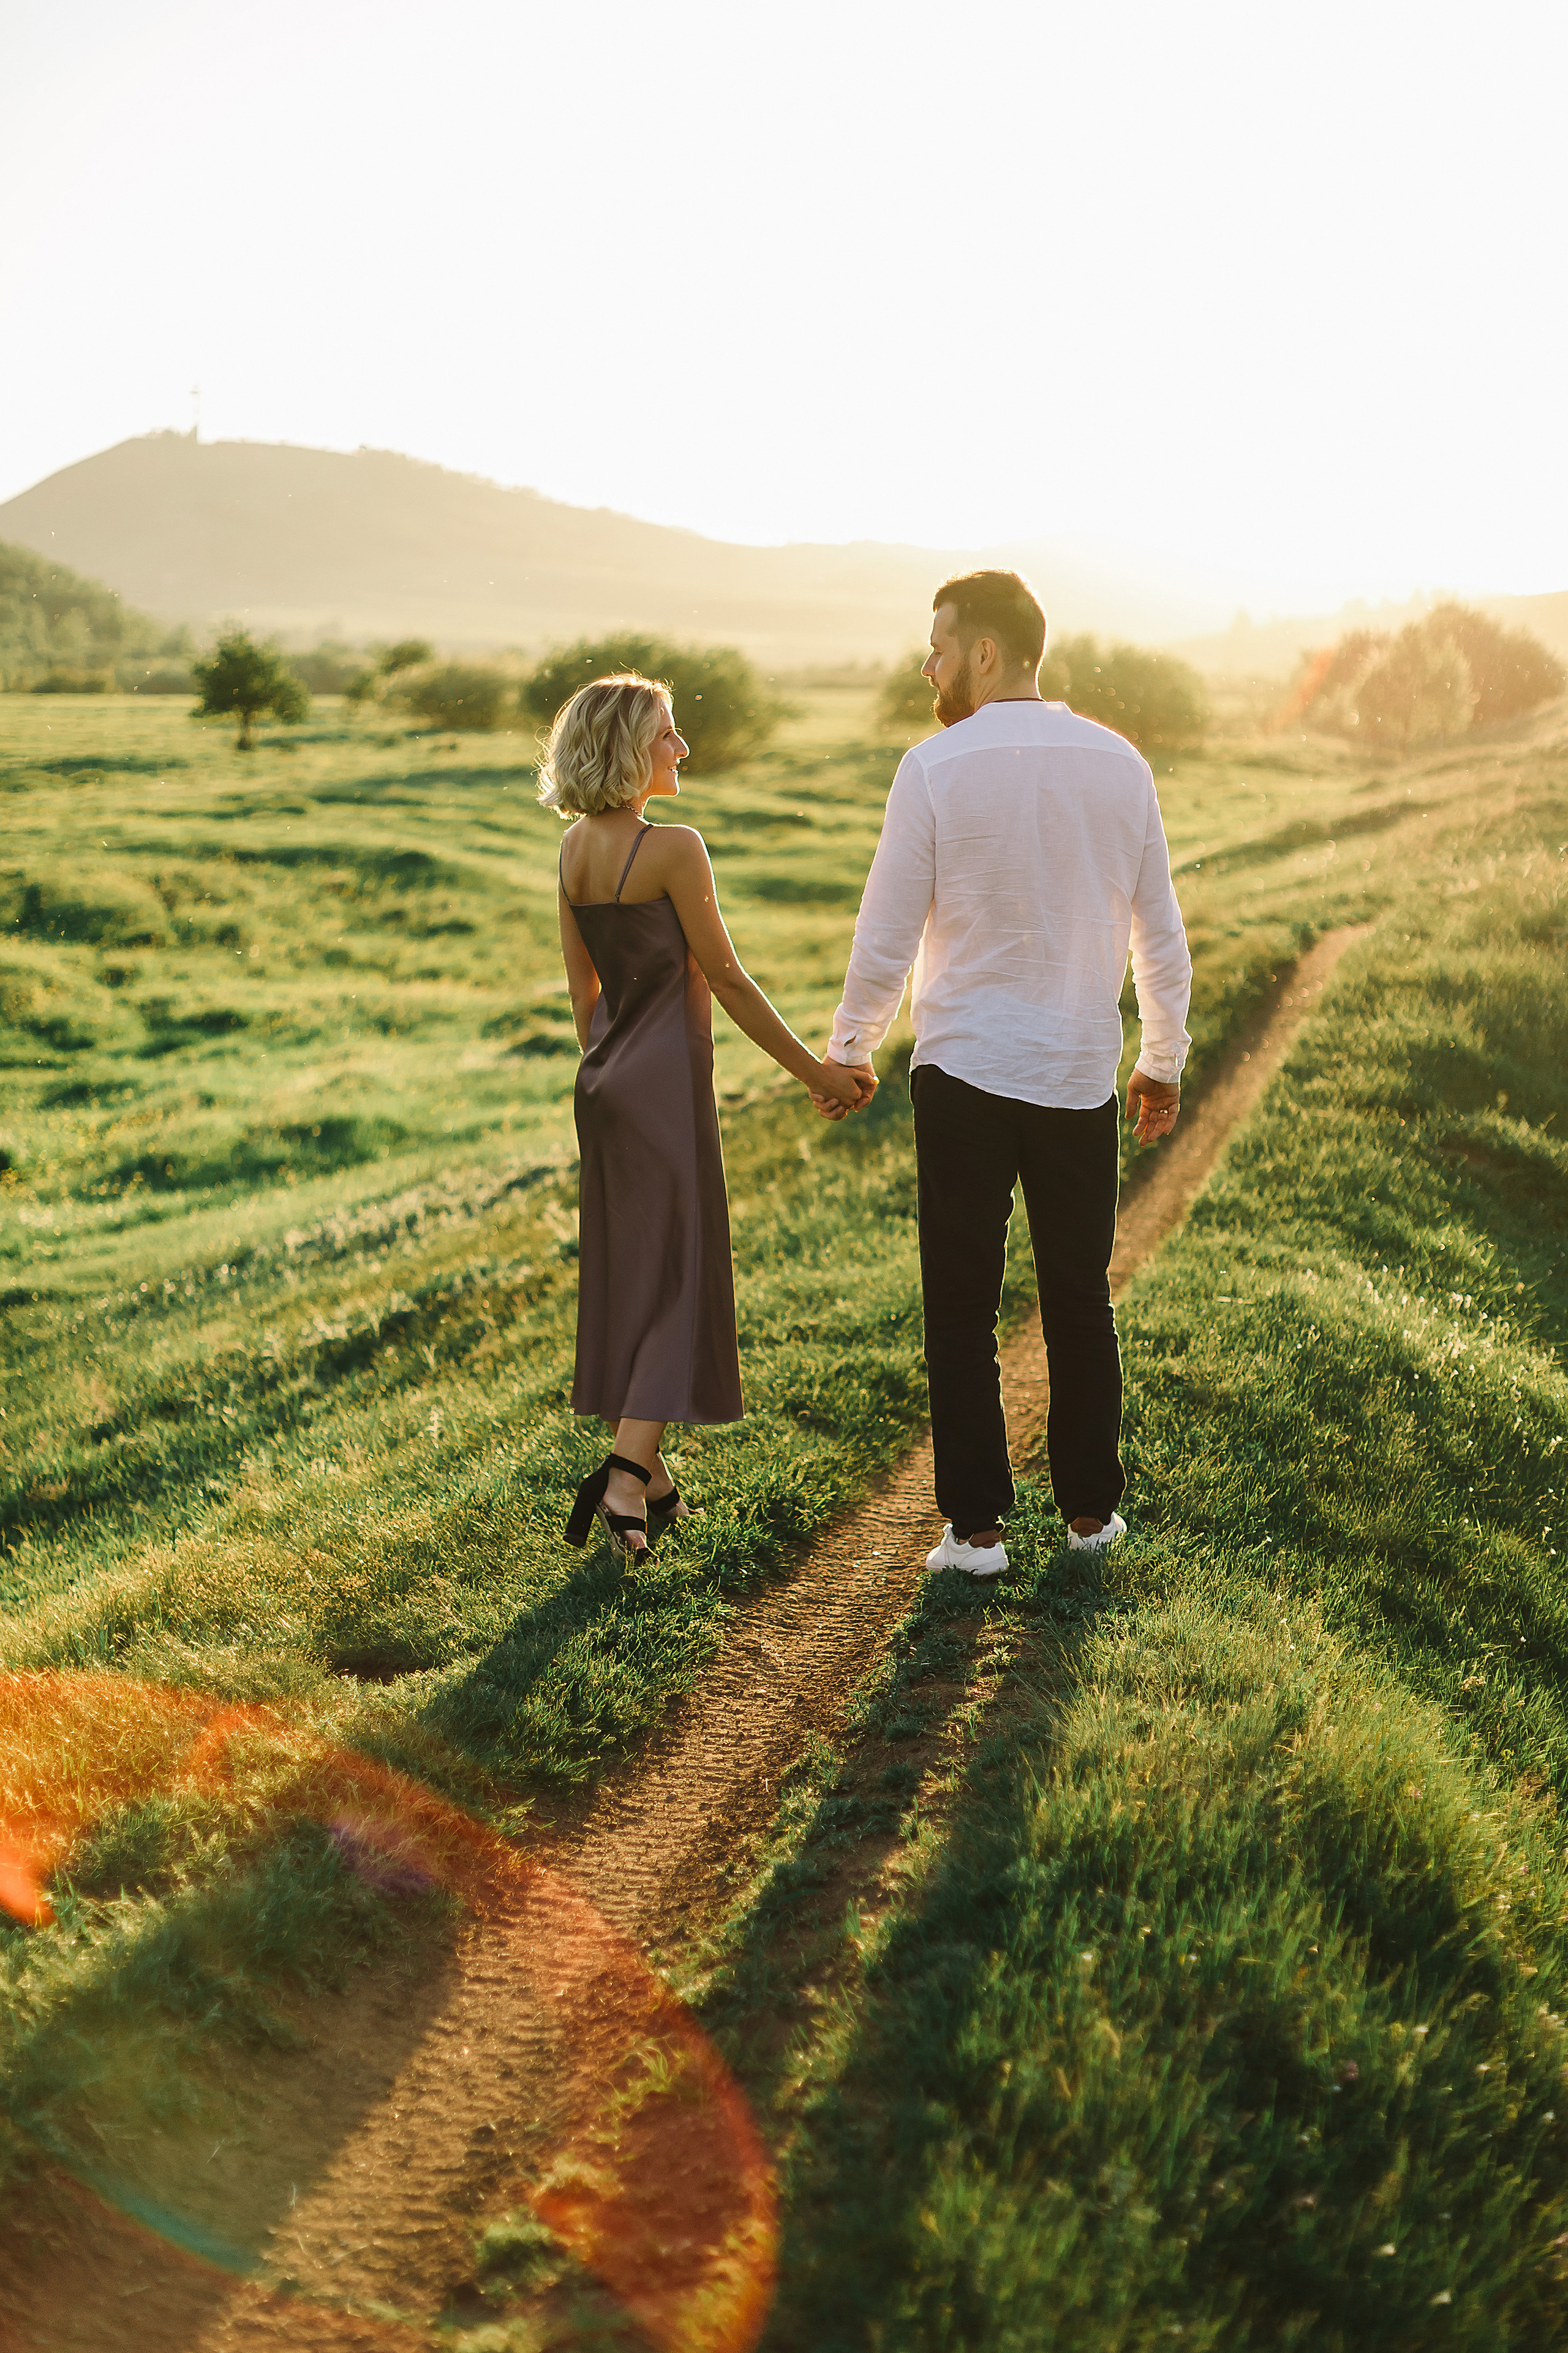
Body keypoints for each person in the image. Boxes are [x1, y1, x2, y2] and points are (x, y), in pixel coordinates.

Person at [821, 571, 1192, 1579]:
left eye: (938, 644)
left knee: (961, 1303)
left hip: (966, 1074)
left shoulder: (933, 768)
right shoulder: (1122, 765)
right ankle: (1088, 1521)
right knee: (1079, 1297)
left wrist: (851, 1046)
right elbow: (1159, 934)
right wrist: (1159, 1060)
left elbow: (887, 930)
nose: (928, 663)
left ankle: (977, 1533)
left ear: (986, 652)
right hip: (1077, 1073)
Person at [544, 672, 865, 1561]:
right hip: (662, 1090)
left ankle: (654, 1478)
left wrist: (610, 1062)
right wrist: (818, 1072)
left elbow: (584, 992)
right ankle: (619, 1476)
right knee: (677, 1280)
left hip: (604, 1084)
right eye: (667, 736)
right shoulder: (675, 848)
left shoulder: (572, 850)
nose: (681, 749)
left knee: (630, 1274)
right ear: (627, 750)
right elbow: (726, 979)